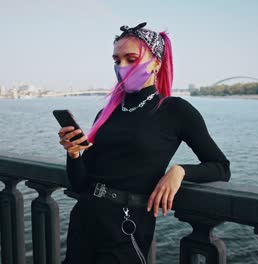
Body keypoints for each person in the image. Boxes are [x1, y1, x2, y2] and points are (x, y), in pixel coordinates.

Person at [58, 22, 230, 264]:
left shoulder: (175, 110)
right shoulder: (106, 113)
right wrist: (73, 154)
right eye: (117, 61)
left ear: (156, 63)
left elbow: (221, 166)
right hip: (85, 218)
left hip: (127, 226)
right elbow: (80, 183)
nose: (122, 67)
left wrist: (179, 171)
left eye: (131, 59)